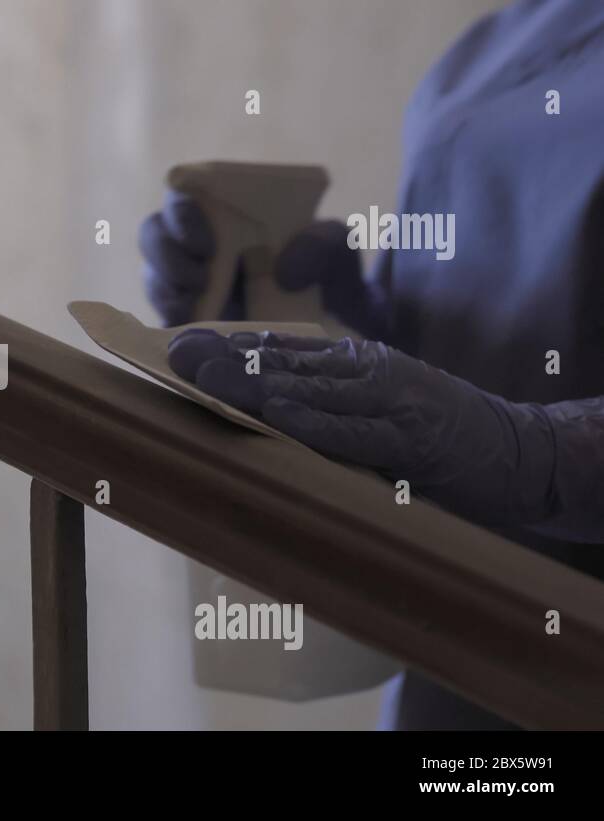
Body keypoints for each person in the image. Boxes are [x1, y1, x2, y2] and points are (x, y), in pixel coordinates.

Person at [139, 0, 604, 730]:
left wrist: (547, 457)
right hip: (453, 672)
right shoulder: (485, 49)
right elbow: (483, 335)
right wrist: (328, 320)